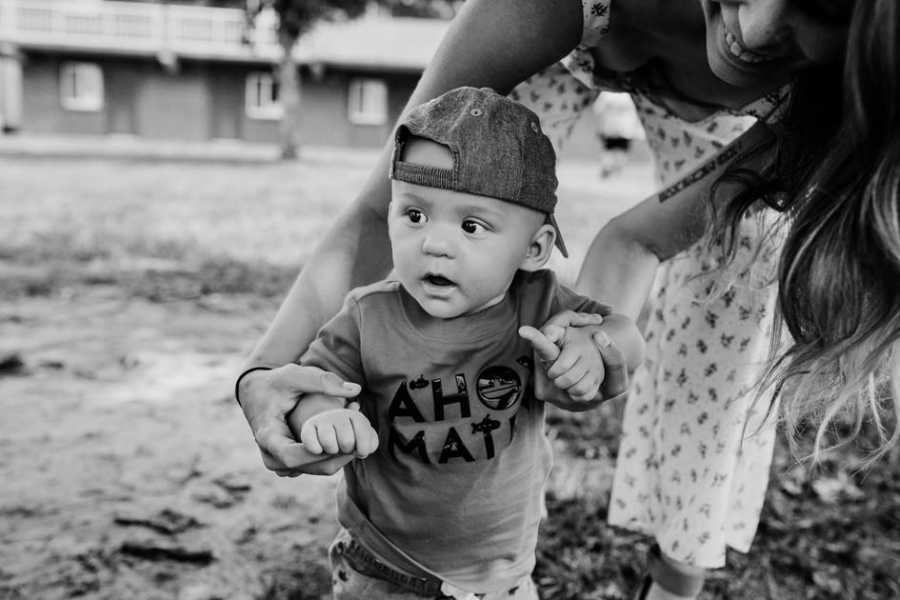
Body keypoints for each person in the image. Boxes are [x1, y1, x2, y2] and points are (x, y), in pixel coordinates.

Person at [235, 1, 899, 599]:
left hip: (774, 110)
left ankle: (676, 577)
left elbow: (632, 242)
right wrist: (261, 376)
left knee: (741, 255)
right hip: (574, 39)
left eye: (823, 8)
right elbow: (376, 212)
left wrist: (592, 342)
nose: (750, 33)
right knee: (458, 171)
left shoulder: (848, 90)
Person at [286, 86, 644, 599]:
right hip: (385, 569)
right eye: (414, 215)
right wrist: (321, 416)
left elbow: (625, 334)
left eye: (472, 225)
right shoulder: (368, 317)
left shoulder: (539, 303)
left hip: (504, 574)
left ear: (534, 247)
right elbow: (311, 384)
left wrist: (597, 348)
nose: (433, 242)